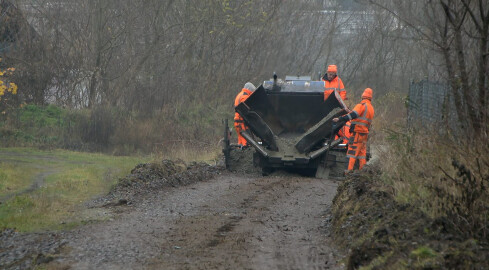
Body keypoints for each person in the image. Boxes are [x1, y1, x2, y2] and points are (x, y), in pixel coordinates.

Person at [333, 88, 375, 173]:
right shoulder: (371, 108)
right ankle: (362, 173)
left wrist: (340, 118)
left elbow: (354, 114)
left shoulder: (361, 105)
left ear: (363, 96)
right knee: (361, 155)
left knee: (351, 154)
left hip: (357, 134)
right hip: (364, 134)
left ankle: (347, 174)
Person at [234, 82, 256, 147]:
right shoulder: (245, 96)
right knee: (246, 144)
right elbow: (247, 109)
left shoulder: (239, 94)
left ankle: (239, 155)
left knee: (240, 142)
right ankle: (246, 155)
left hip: (237, 122)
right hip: (242, 123)